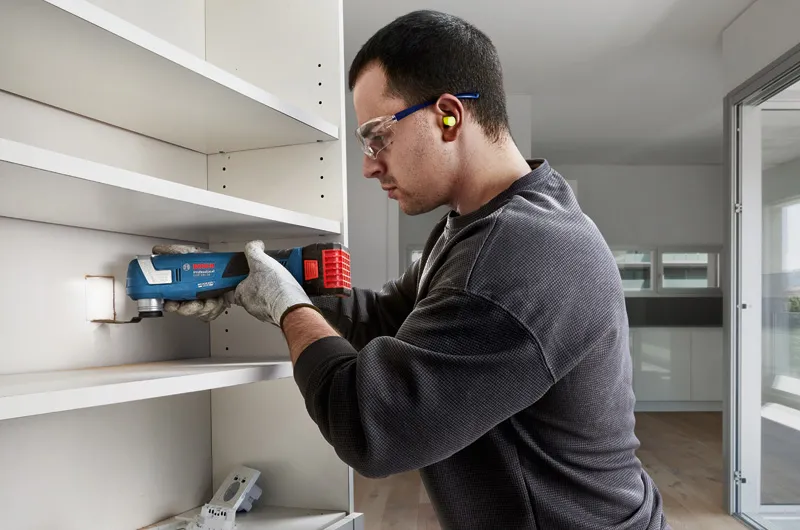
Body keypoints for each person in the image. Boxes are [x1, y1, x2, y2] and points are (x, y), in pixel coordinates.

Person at [157, 10, 670, 530]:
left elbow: (371, 427)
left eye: (378, 136)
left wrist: (286, 306)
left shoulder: (522, 252)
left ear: (448, 115)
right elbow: (385, 316)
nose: (369, 164)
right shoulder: (478, 224)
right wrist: (257, 285)